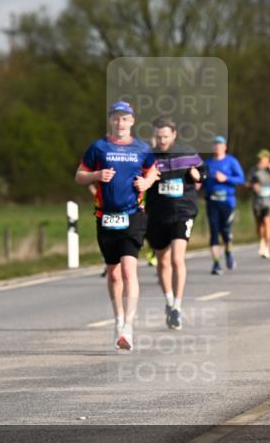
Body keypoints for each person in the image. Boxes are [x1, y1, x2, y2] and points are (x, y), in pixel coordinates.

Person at [76, 101, 158, 350]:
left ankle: (128, 328)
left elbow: (153, 171)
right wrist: (96, 176)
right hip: (106, 216)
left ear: (132, 122)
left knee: (129, 270)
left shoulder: (141, 148)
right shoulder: (98, 147)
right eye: (116, 118)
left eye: (125, 119)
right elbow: (79, 175)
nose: (120, 123)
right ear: (111, 120)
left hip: (133, 215)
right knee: (113, 273)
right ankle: (118, 319)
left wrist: (147, 183)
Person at [145, 117, 206, 330]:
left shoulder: (187, 153)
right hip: (157, 215)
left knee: (177, 259)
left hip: (183, 212)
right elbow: (138, 181)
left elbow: (204, 172)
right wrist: (148, 178)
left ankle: (177, 308)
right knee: (163, 261)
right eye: (158, 137)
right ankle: (169, 301)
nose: (162, 141)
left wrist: (198, 175)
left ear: (174, 135)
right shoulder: (148, 157)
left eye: (165, 137)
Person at [203, 135, 245, 275]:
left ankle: (228, 251)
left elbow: (241, 179)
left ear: (225, 147)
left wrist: (226, 178)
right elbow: (201, 179)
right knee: (214, 233)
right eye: (215, 144)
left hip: (227, 202)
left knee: (226, 232)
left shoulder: (231, 161)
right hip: (212, 202)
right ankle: (216, 264)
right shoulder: (208, 163)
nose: (217, 147)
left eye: (220, 144)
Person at [250, 150, 270, 259]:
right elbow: (249, 182)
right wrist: (254, 187)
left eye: (263, 159)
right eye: (259, 159)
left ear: (268, 160)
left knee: (267, 221)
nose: (261, 161)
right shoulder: (254, 170)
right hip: (257, 201)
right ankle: (262, 240)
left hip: (269, 200)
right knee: (259, 225)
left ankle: (267, 246)